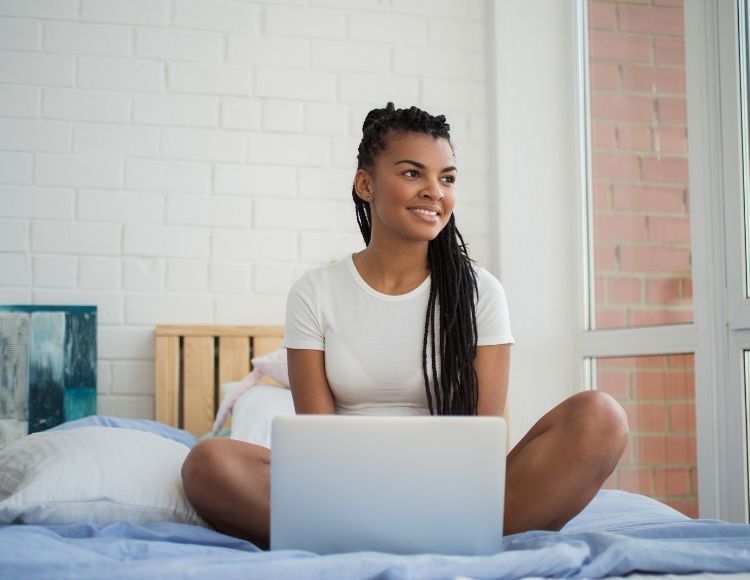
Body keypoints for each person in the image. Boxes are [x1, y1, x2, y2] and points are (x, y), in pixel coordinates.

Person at [181, 102, 629, 549]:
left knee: (601, 418)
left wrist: (439, 492)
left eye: (447, 178)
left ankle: (372, 539)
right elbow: (318, 443)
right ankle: (426, 540)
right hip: (344, 492)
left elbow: (483, 443)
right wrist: (367, 494)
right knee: (208, 463)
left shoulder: (482, 294)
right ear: (365, 185)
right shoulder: (314, 292)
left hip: (455, 494)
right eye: (413, 173)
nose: (435, 191)